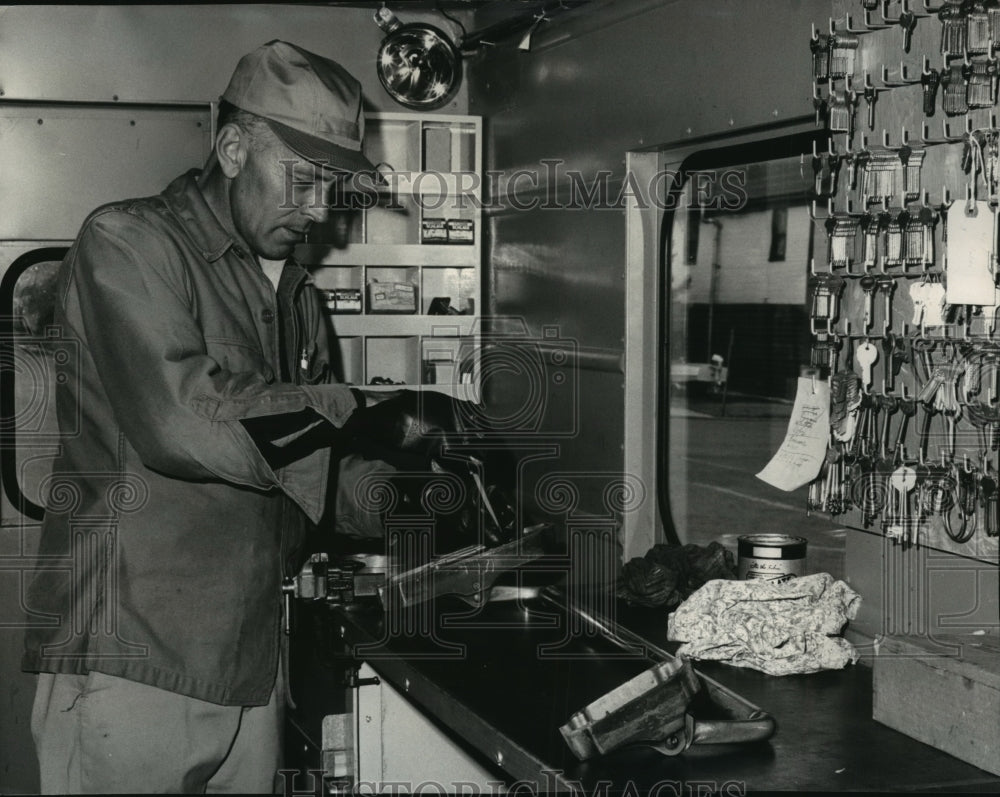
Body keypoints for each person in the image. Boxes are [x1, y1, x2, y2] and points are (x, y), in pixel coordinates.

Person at [22, 40, 388, 794]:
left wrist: (418, 493)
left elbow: (311, 475)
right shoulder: (128, 243)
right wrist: (370, 414)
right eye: (305, 178)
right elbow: (187, 420)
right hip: (134, 664)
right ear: (231, 148)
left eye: (336, 188)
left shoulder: (299, 301)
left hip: (248, 660)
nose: (321, 210)